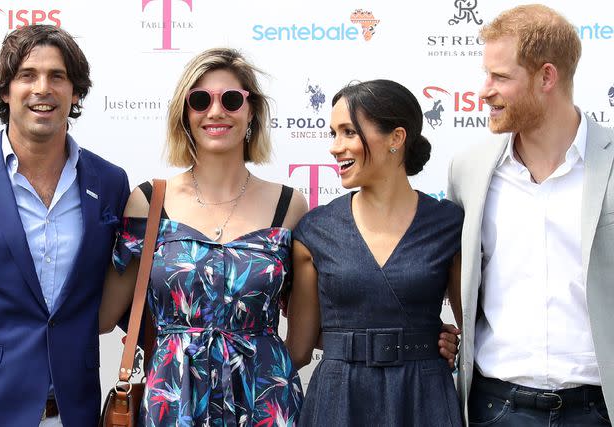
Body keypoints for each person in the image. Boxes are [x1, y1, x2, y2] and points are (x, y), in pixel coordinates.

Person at [99, 47, 308, 426]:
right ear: (185, 115)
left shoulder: (290, 204)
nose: (216, 112)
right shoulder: (148, 201)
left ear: (252, 112)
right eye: (200, 100)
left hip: (265, 402)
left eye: (231, 99)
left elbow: (310, 323)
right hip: (174, 399)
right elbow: (105, 314)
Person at [448, 4, 614, 426]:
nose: (483, 91)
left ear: (546, 77)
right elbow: (451, 271)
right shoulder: (469, 169)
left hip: (599, 409)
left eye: (500, 77)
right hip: (495, 407)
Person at [0, 25, 130, 426]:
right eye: (27, 75)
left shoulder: (110, 182)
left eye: (57, 76)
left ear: (75, 92)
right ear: (5, 91)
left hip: (74, 411)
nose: (42, 88)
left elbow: (125, 291)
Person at [286, 79, 464, 426]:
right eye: (333, 134)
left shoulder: (449, 224)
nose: (336, 147)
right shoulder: (315, 230)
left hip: (423, 399)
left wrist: (452, 344)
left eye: (349, 132)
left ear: (397, 138)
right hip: (339, 402)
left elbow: (475, 331)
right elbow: (298, 350)